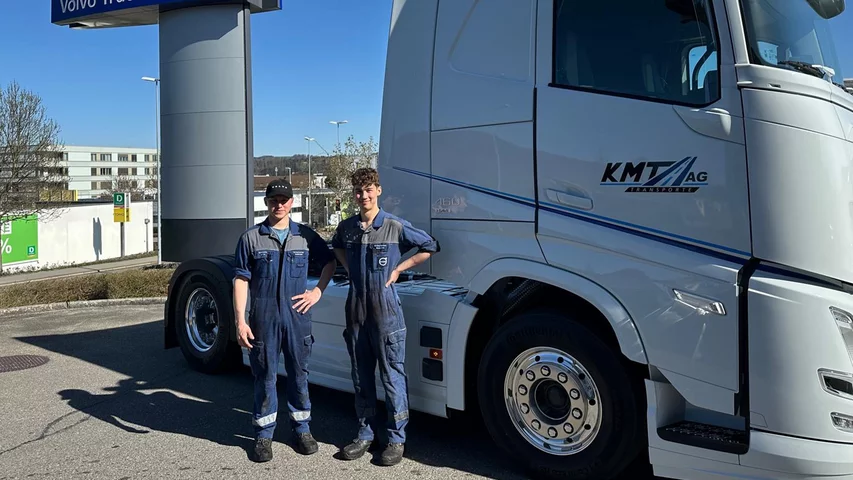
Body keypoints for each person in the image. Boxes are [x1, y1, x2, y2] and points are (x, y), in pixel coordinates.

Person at [331, 167, 440, 466]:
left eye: (369, 190)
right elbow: (336, 247)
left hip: (386, 310)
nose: (363, 196)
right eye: (358, 191)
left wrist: (398, 269)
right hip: (356, 309)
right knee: (361, 376)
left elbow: (430, 245)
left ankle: (395, 439)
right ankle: (365, 435)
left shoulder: (393, 225)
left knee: (392, 376)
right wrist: (349, 269)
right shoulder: (347, 228)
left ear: (378, 190)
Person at [233, 178, 337, 463]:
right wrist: (240, 320)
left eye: (283, 200)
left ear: (292, 202)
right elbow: (241, 279)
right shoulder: (251, 238)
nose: (278, 205)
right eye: (273, 200)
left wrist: (317, 292)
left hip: (297, 318)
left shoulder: (305, 236)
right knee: (265, 376)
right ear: (266, 203)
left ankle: (302, 430)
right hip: (263, 318)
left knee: (299, 374)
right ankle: (263, 436)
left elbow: (330, 262)